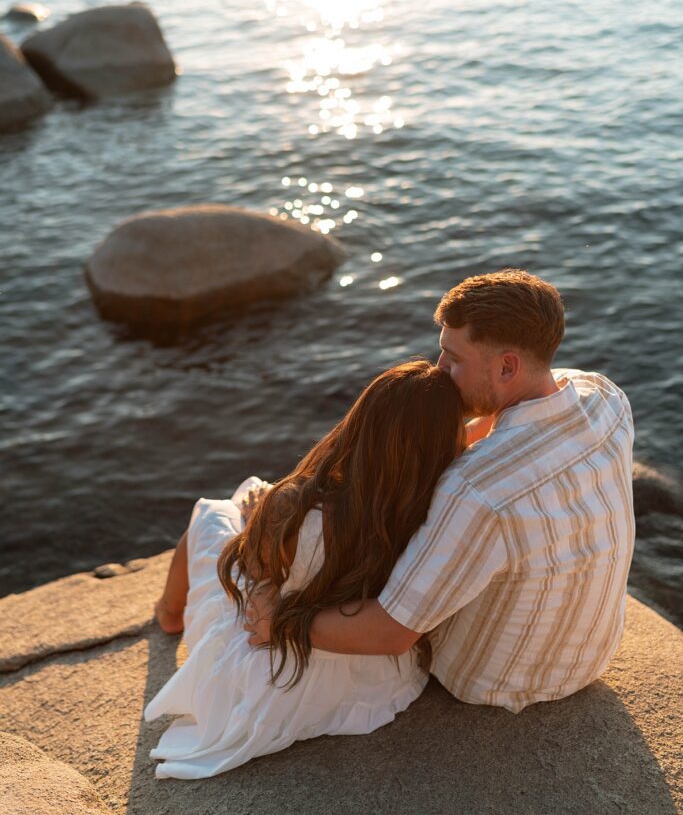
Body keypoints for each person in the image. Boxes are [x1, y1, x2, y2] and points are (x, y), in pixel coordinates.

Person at [246, 270, 636, 714]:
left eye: (453, 357)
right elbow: (511, 423)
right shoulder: (604, 398)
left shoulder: (475, 489)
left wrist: (276, 619)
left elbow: (391, 632)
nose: (440, 368)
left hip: (493, 679)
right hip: (592, 656)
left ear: (507, 366)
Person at [145, 360, 466, 779]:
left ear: (362, 424)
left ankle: (169, 613)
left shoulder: (298, 507)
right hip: (376, 683)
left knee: (213, 514)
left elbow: (260, 577)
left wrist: (258, 519)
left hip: (282, 675)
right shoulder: (436, 508)